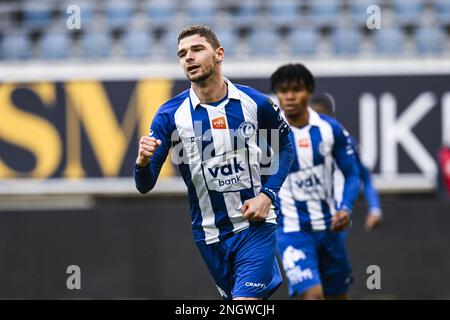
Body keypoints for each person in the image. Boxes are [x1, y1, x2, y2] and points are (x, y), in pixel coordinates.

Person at [134, 25, 294, 300]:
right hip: (209, 235)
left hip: (255, 226)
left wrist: (267, 195)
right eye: (182, 54)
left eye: (197, 49)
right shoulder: (170, 115)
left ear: (219, 54)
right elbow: (145, 185)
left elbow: (286, 147)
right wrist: (142, 162)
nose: (188, 58)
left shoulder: (254, 103)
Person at [270, 63, 360, 300]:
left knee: (337, 296)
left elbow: (352, 174)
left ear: (309, 92)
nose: (289, 97)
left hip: (329, 228)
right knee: (312, 295)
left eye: (296, 90)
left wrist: (346, 208)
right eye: (283, 90)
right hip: (291, 231)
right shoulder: (268, 133)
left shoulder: (330, 129)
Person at [310, 93, 383, 231]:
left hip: (337, 216)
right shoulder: (295, 142)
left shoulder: (345, 142)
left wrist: (375, 208)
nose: (319, 122)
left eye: (323, 116)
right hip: (301, 220)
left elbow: (363, 176)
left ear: (332, 117)